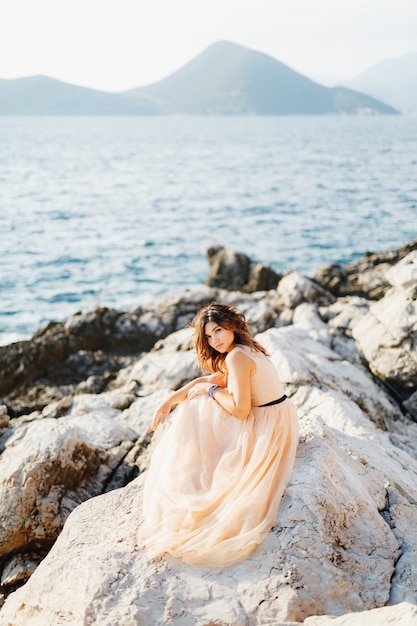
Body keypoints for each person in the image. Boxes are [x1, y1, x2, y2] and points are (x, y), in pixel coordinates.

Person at [140, 302, 299, 568]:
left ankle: (193, 469)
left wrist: (210, 393)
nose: (215, 340)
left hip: (266, 428)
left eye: (219, 331)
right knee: (197, 396)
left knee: (201, 401)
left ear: (232, 326)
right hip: (279, 418)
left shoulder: (237, 356)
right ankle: (199, 463)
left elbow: (240, 409)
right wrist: (169, 400)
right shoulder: (245, 349)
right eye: (209, 336)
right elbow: (207, 381)